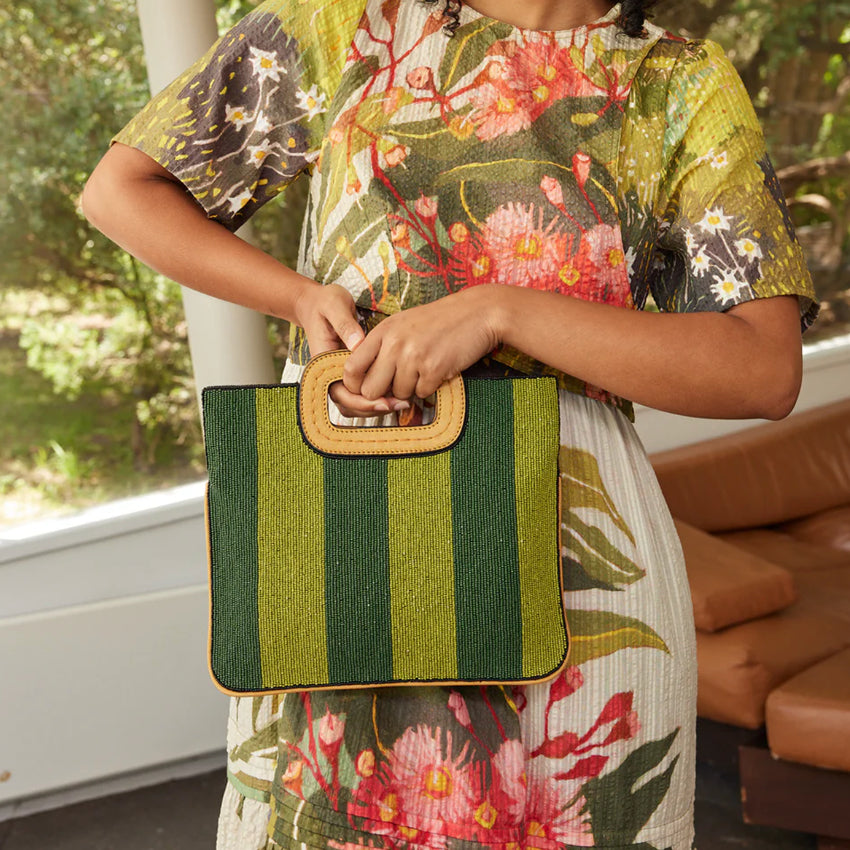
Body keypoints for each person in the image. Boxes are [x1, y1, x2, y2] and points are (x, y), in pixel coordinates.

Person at [81, 0, 818, 847]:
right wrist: (299, 296)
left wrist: (504, 312)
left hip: (579, 565)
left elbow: (762, 370)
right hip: (349, 543)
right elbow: (126, 190)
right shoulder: (349, 24)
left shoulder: (681, 84)